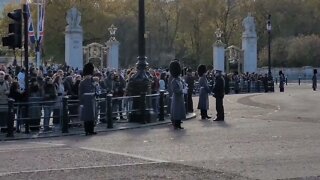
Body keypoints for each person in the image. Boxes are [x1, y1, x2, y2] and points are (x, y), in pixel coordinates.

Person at [79, 63, 97, 135]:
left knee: (92, 116)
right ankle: (87, 130)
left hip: (92, 99)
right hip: (86, 100)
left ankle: (91, 130)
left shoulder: (92, 82)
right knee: (87, 116)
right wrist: (81, 103)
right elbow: (80, 93)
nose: (90, 76)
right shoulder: (82, 83)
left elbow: (95, 90)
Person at [169, 60, 186, 129]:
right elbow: (175, 90)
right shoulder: (174, 81)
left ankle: (178, 124)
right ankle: (176, 124)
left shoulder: (178, 79)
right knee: (177, 112)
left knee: (180, 111)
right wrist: (182, 91)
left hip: (180, 97)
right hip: (176, 98)